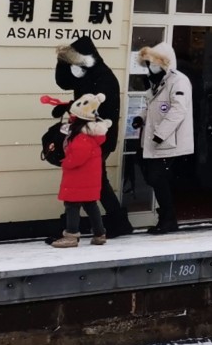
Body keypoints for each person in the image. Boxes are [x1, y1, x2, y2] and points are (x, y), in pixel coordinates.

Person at [51, 35, 134, 238]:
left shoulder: (104, 78)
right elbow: (64, 82)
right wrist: (62, 61)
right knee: (93, 180)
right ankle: (111, 223)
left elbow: (95, 108)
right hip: (87, 136)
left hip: (98, 137)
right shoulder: (87, 75)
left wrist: (73, 109)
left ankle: (80, 227)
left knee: (88, 180)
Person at [136, 43, 194, 233]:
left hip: (167, 141)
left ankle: (168, 218)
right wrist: (140, 118)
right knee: (152, 177)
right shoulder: (156, 82)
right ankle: (167, 217)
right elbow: (150, 105)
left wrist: (161, 134)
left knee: (157, 178)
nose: (150, 67)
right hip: (153, 139)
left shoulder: (178, 81)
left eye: (153, 63)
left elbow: (178, 110)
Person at [52, 92, 111, 247]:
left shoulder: (81, 138)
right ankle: (100, 233)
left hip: (78, 178)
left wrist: (65, 162)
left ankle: (71, 235)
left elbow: (77, 158)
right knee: (91, 205)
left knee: (72, 206)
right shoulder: (90, 135)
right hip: (88, 178)